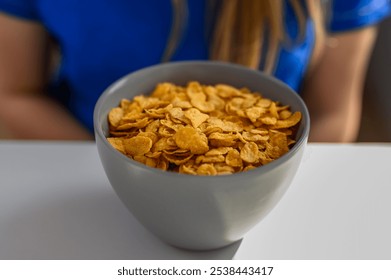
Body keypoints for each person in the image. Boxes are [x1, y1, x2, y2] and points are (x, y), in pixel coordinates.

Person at [0, 0, 389, 141]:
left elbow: (332, 113)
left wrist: (268, 191)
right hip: (85, 154)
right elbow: (13, 93)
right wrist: (117, 172)